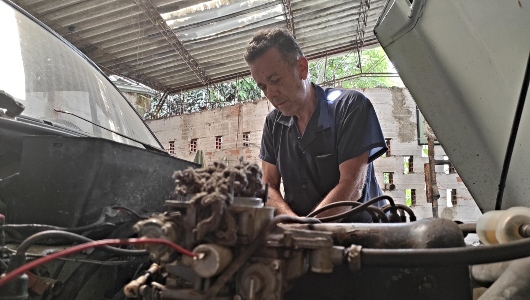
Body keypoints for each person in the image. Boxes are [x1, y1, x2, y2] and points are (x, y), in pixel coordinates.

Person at [244, 28, 387, 222]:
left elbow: (352, 185)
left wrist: (307, 228)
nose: (271, 93)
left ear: (302, 68)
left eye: (275, 80)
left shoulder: (350, 106)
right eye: (262, 87)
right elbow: (268, 185)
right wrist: (294, 224)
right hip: (305, 236)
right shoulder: (273, 123)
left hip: (361, 234)